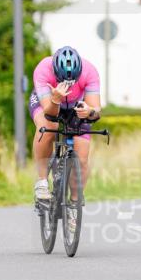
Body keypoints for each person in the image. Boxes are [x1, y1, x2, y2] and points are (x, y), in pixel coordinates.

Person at [29, 46, 102, 203]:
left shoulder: (90, 71)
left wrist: (89, 111)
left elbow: (96, 111)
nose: (69, 84)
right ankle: (42, 181)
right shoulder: (43, 69)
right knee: (48, 127)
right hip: (48, 102)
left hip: (75, 106)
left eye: (73, 81)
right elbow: (49, 113)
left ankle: (75, 202)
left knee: (82, 156)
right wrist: (55, 99)